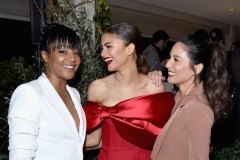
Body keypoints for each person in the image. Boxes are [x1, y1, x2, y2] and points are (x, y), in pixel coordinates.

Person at [83, 22, 175, 160]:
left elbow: (161, 137)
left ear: (130, 49)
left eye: (108, 47)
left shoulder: (154, 86)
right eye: (102, 48)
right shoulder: (97, 88)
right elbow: (94, 140)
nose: (102, 53)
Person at [8, 24, 86, 160]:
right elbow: (20, 155)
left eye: (76, 52)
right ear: (45, 55)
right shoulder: (29, 93)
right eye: (63, 52)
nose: (72, 58)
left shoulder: (74, 94)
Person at [149, 34, 231, 159]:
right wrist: (150, 81)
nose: (167, 64)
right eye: (170, 57)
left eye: (176, 60)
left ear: (196, 68)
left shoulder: (198, 108)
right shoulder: (179, 96)